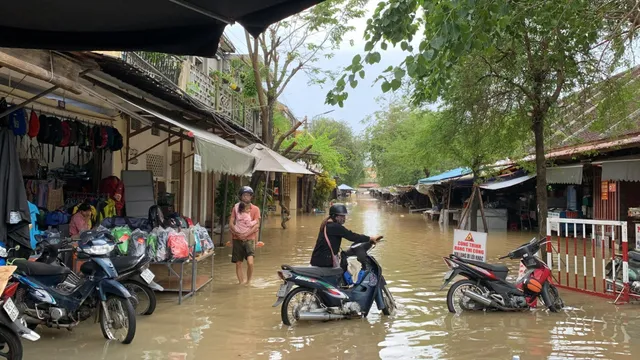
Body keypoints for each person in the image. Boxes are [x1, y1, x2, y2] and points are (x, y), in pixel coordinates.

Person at [310, 203, 382, 268]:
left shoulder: (326, 224)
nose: (344, 218)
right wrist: (370, 238)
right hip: (324, 261)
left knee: (343, 256)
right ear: (335, 216)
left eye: (344, 216)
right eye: (342, 216)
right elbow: (352, 236)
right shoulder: (335, 227)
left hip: (319, 259)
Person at [229, 186, 261, 284]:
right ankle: (241, 283)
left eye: (248, 195)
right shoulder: (236, 208)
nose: (246, 197)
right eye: (244, 195)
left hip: (250, 239)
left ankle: (248, 282)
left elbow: (256, 225)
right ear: (241, 196)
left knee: (250, 263)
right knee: (238, 263)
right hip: (237, 238)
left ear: (251, 197)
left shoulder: (255, 209)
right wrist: (237, 233)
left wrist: (246, 234)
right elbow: (231, 223)